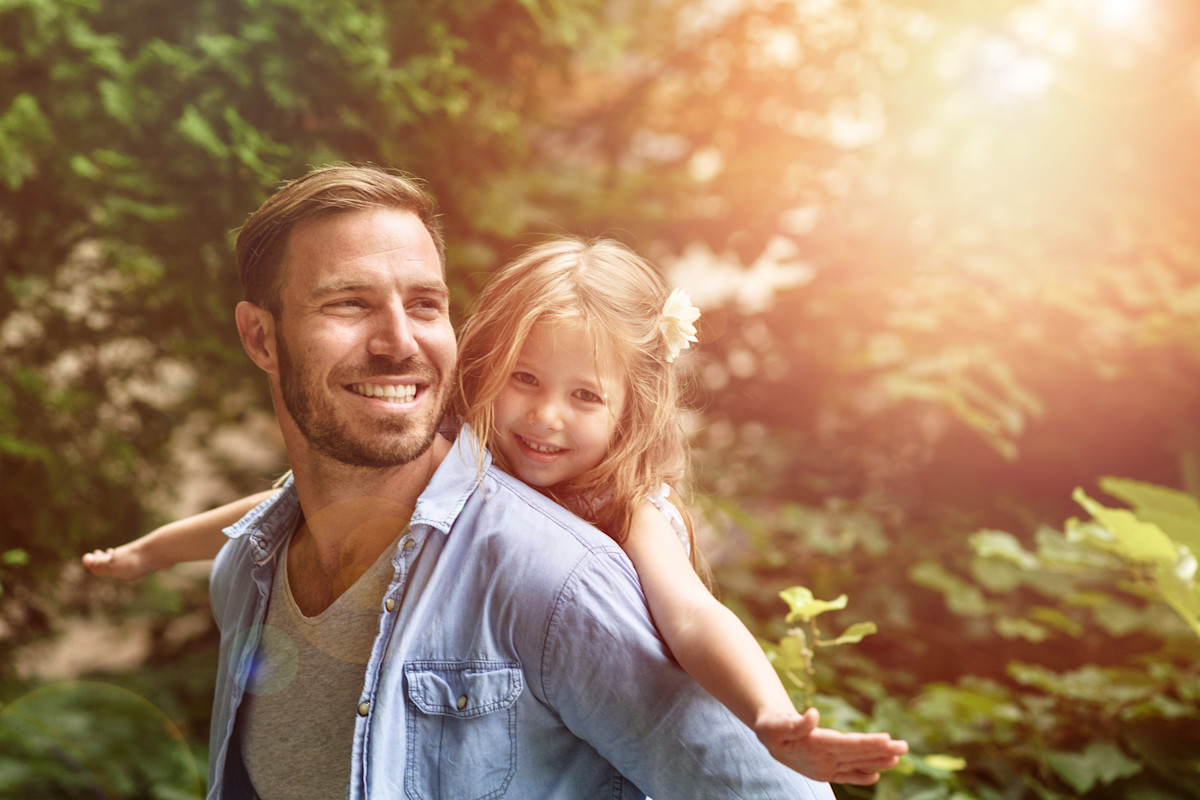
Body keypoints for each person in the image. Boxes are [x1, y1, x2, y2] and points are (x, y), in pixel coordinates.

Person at [93, 163, 906, 798]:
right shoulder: (250, 567)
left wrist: (768, 718)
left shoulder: (568, 572)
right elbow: (259, 510)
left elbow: (708, 654)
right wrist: (147, 554)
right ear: (259, 338)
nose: (396, 341)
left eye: (423, 302)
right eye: (348, 303)